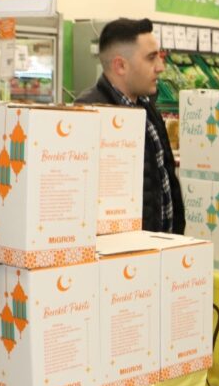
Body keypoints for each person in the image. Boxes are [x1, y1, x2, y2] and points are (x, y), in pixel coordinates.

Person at [76, 17, 184, 234]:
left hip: (159, 251)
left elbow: (165, 181)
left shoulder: (147, 107)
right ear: (121, 65)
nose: (160, 67)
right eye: (151, 58)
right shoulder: (89, 114)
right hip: (123, 258)